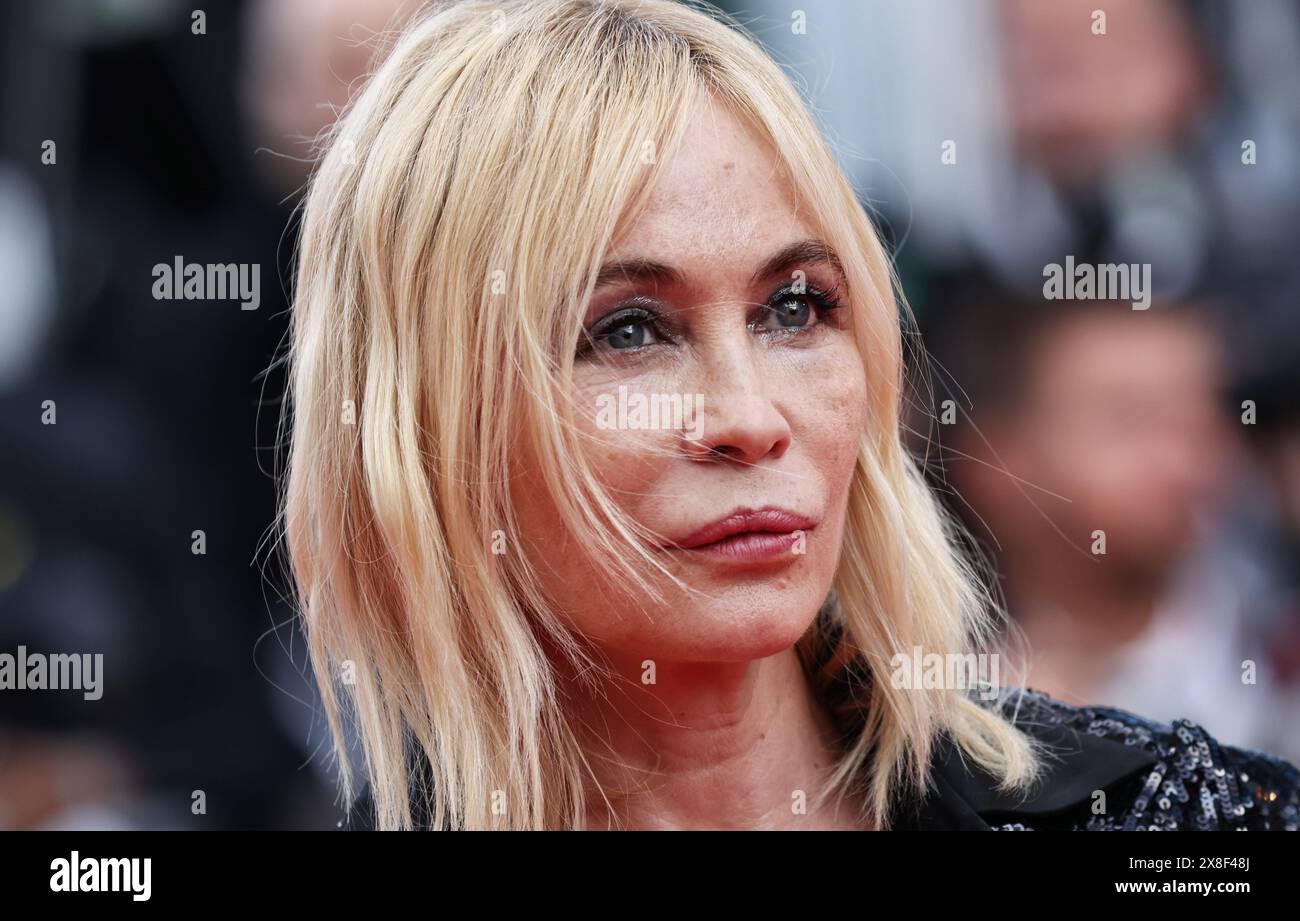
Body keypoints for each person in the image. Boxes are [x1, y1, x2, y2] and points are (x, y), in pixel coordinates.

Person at [280, 0, 1300, 830]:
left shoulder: (1174, 827)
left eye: (796, 308)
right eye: (628, 331)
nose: (750, 417)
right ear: (425, 424)